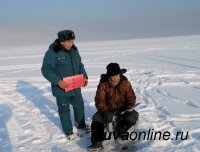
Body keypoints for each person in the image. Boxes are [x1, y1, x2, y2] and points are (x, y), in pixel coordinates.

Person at [41, 30, 89, 140]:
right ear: (61, 41)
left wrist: (84, 77)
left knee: (79, 106)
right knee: (64, 110)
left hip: (75, 85)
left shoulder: (74, 50)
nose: (70, 44)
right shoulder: (53, 52)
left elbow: (80, 65)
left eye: (71, 41)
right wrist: (58, 81)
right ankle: (68, 132)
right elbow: (46, 69)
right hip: (61, 88)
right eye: (67, 42)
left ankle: (80, 125)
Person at [87, 63, 139, 151]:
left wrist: (130, 105)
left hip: (122, 108)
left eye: (117, 75)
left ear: (120, 74)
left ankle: (120, 132)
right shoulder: (103, 84)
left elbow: (131, 96)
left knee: (133, 115)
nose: (115, 78)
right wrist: (104, 111)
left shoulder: (125, 83)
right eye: (112, 76)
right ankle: (97, 143)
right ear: (108, 76)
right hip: (107, 109)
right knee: (96, 118)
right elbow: (99, 100)